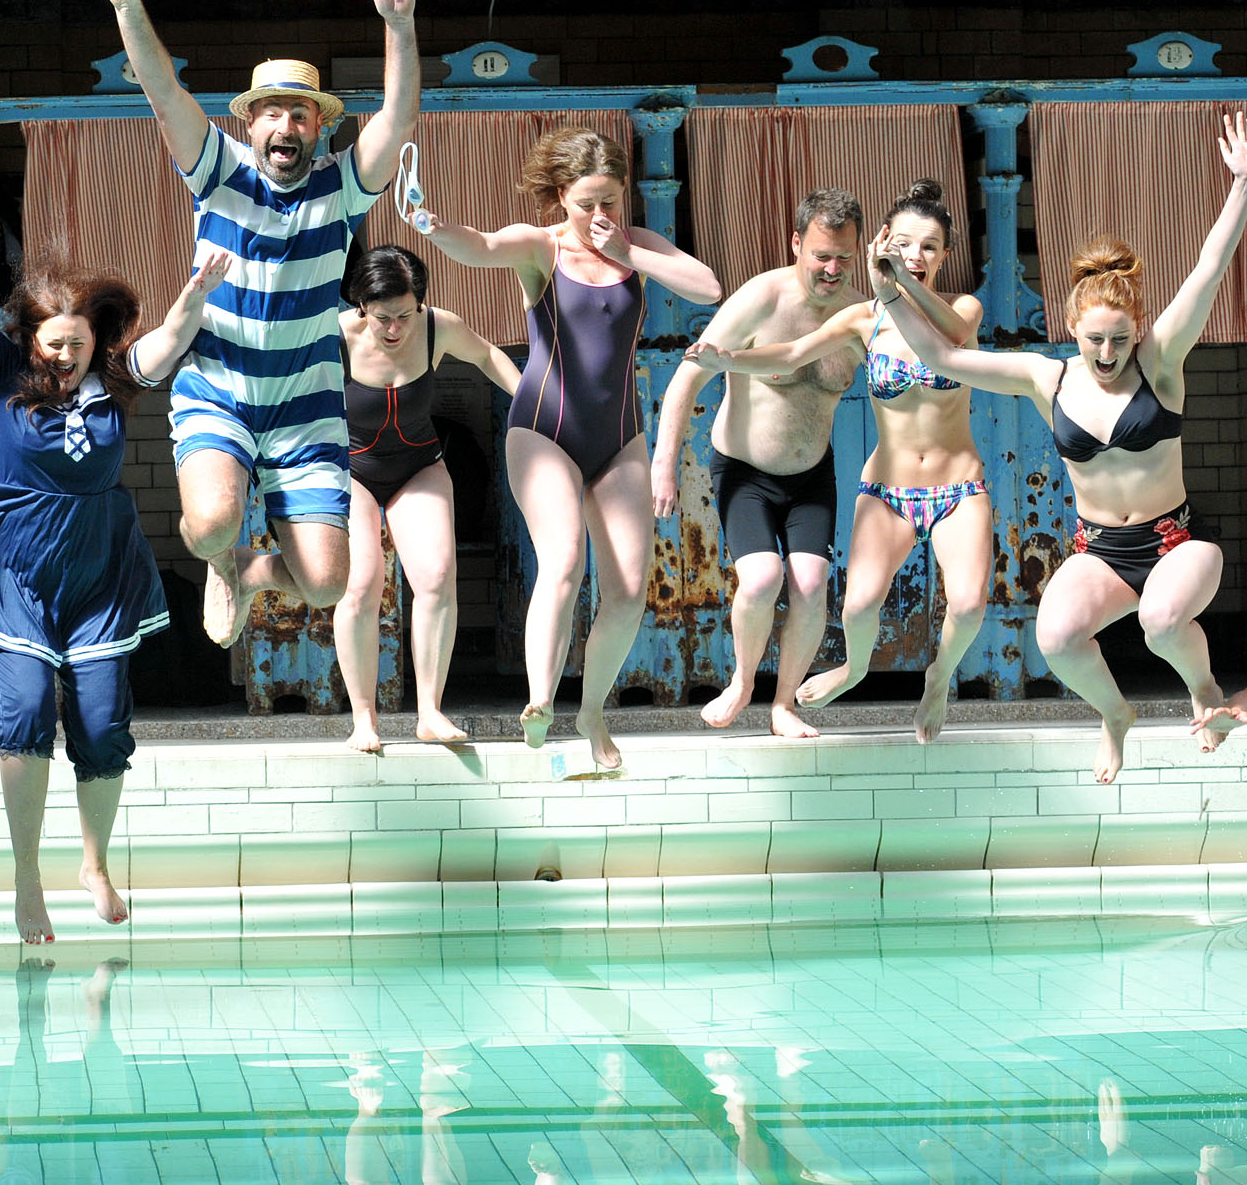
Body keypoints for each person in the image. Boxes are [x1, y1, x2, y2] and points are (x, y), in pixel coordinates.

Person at [0, 178, 228, 945]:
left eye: (78, 342)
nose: (67, 356)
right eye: (54, 343)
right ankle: (25, 878)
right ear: (32, 339)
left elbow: (171, 338)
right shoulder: (1, 372)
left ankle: (94, 861)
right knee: (27, 710)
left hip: (97, 563)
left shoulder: (113, 382)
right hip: (13, 563)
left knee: (104, 723)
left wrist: (197, 290)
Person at [80, 0, 423, 646]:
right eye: (273, 111)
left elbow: (395, 119)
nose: (287, 124)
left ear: (319, 127)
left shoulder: (342, 188)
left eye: (301, 112)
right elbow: (162, 89)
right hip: (222, 390)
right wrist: (126, 7)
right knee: (208, 525)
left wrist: (399, 24)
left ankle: (245, 567)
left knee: (329, 582)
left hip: (306, 408)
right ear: (253, 122)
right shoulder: (218, 171)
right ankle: (220, 553)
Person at [878, 118, 1247, 780]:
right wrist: (892, 290)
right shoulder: (1044, 378)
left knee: (1162, 622)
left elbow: (1209, 268)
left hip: (1174, 548)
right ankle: (1115, 715)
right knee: (1055, 638)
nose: (1107, 355)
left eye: (1120, 340)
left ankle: (1204, 690)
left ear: (1138, 332)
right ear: (1070, 326)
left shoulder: (1160, 366)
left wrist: (1242, 183)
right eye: (1094, 339)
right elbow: (943, 353)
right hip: (1099, 553)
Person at [416, 129, 722, 768]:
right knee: (563, 562)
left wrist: (630, 253)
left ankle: (592, 710)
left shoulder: (637, 246)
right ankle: (539, 700)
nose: (599, 216)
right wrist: (433, 225)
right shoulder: (543, 247)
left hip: (618, 437)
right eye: (586, 204)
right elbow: (481, 247)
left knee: (631, 588)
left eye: (610, 201)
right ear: (562, 197)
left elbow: (707, 288)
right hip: (543, 430)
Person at [700, 180, 990, 744]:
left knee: (972, 605)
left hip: (958, 486)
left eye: (931, 246)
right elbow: (790, 352)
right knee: (856, 608)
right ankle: (853, 669)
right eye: (905, 244)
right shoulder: (863, 320)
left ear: (945, 256)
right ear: (885, 243)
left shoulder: (963, 308)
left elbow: (952, 339)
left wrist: (899, 285)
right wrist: (728, 357)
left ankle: (939, 680)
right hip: (888, 490)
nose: (917, 255)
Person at [655, 190, 867, 739]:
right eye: (822, 255)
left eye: (845, 257)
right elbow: (688, 376)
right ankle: (742, 683)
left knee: (812, 582)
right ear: (796, 243)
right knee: (762, 577)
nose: (833, 268)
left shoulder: (859, 316)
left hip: (812, 474)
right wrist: (664, 463)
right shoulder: (762, 299)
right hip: (744, 470)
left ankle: (783, 705)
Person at [332, 244, 521, 753]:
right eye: (382, 318)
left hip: (420, 465)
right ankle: (364, 718)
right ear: (360, 307)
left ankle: (431, 711)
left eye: (405, 315)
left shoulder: (437, 326)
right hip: (352, 470)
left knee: (437, 578)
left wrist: (531, 403)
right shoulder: (335, 335)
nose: (395, 329)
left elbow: (487, 354)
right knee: (361, 588)